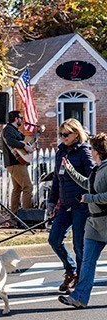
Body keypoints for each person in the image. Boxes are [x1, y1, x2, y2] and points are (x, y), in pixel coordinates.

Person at [58, 132, 107, 308]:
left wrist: (90, 199)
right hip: (94, 224)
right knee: (87, 262)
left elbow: (96, 195)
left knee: (87, 261)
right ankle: (79, 297)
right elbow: (88, 184)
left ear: (97, 150)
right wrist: (70, 170)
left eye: (92, 148)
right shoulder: (97, 169)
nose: (90, 150)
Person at [47, 119, 94, 293]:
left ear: (76, 134)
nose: (63, 138)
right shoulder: (61, 152)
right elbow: (56, 180)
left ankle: (81, 282)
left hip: (81, 206)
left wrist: (87, 197)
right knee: (54, 239)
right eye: (61, 134)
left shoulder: (84, 152)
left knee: (79, 245)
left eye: (66, 134)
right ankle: (70, 270)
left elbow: (92, 179)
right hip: (64, 205)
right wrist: (52, 203)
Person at [1, 110, 35, 213]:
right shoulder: (8, 129)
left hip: (16, 162)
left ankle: (14, 215)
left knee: (17, 188)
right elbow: (11, 141)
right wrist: (24, 146)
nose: (22, 120)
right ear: (16, 119)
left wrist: (30, 145)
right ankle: (27, 215)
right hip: (15, 162)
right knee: (28, 187)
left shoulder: (14, 130)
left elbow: (24, 141)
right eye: (21, 118)